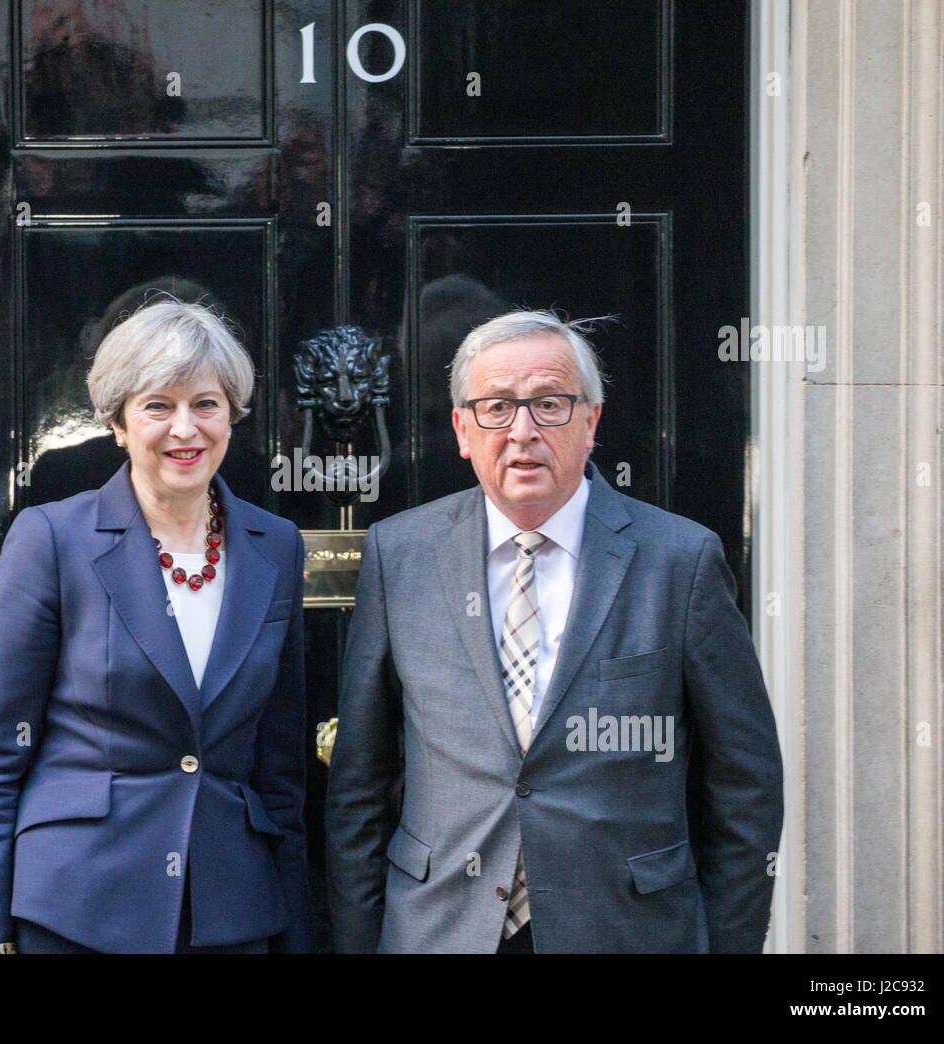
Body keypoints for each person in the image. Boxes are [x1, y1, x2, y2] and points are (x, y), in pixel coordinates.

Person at [324, 310, 783, 953]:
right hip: (439, 930)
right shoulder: (398, 554)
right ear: (461, 428)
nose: (523, 431)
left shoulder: (681, 561)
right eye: (497, 408)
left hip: (627, 931)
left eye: (550, 404)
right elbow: (359, 788)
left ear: (591, 420)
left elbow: (745, 785)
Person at [0, 298, 311, 953]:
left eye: (206, 403)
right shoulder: (52, 540)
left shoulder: (276, 546)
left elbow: (280, 771)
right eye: (157, 406)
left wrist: (296, 935)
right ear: (118, 422)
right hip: (77, 908)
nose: (186, 428)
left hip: (231, 913)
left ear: (232, 415)